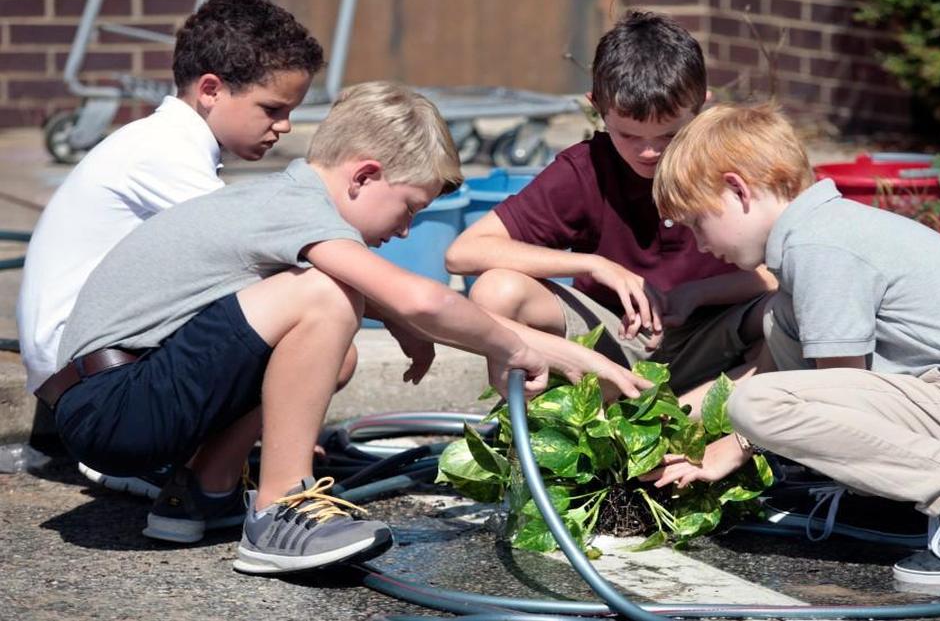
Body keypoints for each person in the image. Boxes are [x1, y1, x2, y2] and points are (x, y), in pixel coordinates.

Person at [40, 81, 649, 575]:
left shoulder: (280, 205)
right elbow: (421, 298)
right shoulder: (295, 210)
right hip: (112, 406)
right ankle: (281, 512)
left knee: (337, 351)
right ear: (363, 176)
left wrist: (582, 356)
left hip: (115, 400)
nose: (408, 230)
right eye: (410, 207)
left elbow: (415, 310)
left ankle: (203, 491)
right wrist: (515, 346)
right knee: (329, 298)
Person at [642, 102, 940, 586]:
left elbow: (832, 390)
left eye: (696, 223)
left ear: (738, 189)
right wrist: (660, 420)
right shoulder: (815, 238)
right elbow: (768, 371)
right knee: (774, 337)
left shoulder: (820, 247)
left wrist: (742, 441)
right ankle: (895, 501)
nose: (700, 244)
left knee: (757, 407)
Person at [16, 0, 324, 493]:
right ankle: (194, 476)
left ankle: (196, 462)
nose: (284, 125)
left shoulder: (161, 142)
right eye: (272, 108)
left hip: (90, 361)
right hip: (95, 379)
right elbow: (259, 257)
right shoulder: (163, 153)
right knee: (307, 311)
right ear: (210, 90)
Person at [445, 11, 778, 405]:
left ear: (702, 107)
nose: (650, 151)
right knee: (496, 289)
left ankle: (719, 422)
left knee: (788, 312)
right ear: (596, 108)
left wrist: (697, 294)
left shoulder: (737, 162)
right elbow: (463, 253)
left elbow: (782, 275)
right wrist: (593, 265)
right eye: (629, 135)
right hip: (611, 340)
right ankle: (540, 423)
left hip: (719, 338)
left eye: (670, 134)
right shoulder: (586, 168)